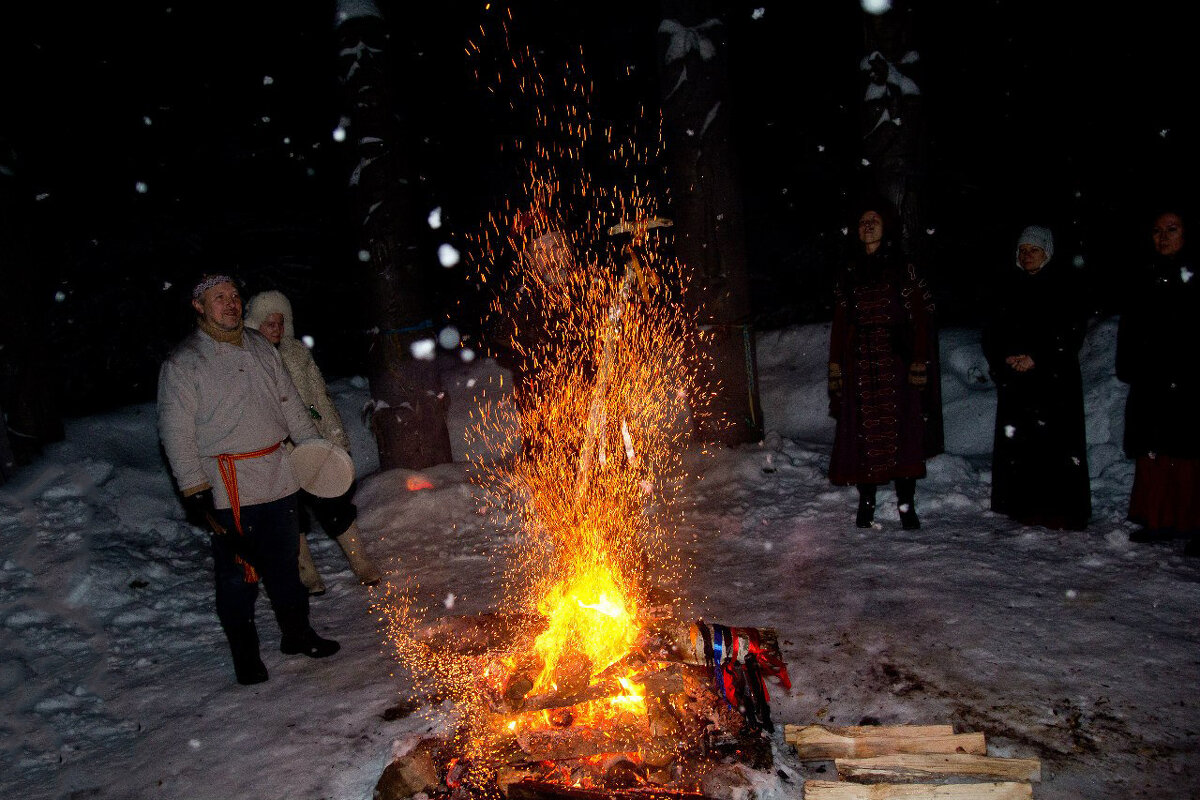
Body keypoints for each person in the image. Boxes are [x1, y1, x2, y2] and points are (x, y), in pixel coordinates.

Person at [157, 274, 340, 686]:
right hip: (228, 484)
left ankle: (297, 635)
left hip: (277, 473)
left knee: (286, 565)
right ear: (199, 307)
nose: (231, 304)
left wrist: (315, 456)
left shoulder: (260, 347)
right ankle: (245, 654)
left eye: (235, 296)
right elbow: (176, 432)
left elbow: (290, 404)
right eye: (219, 298)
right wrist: (195, 491)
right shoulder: (184, 364)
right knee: (238, 573)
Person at [244, 290, 382, 593]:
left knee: (334, 503)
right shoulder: (248, 361)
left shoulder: (296, 353)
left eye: (280, 323)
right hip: (278, 452)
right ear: (254, 325)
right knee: (291, 513)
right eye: (268, 324)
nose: (276, 329)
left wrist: (336, 438)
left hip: (313, 442)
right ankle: (306, 573)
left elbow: (320, 397)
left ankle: (362, 563)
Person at [828, 200, 942, 529]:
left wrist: (917, 359)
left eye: (874, 220)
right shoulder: (849, 270)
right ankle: (867, 503)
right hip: (860, 362)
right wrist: (837, 364)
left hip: (895, 359)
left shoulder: (902, 267)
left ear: (885, 226)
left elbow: (920, 317)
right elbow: (840, 322)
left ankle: (906, 504)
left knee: (902, 431)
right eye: (863, 221)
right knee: (864, 433)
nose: (868, 226)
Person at [982, 225, 1091, 530]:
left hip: (1053, 381)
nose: (1027, 255)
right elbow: (993, 330)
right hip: (1018, 381)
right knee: (1023, 445)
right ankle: (1022, 504)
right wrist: (1005, 357)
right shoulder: (1009, 286)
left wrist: (1037, 357)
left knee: (1054, 445)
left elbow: (1070, 332)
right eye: (1022, 250)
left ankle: (1059, 508)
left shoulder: (1064, 287)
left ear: (1047, 253)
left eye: (1034, 250)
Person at [1116, 208, 1200, 556]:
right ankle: (1158, 518)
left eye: (1171, 229)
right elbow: (1131, 328)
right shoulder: (1145, 275)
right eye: (1156, 230)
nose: (1163, 237)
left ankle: (1194, 523)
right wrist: (1131, 365)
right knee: (1154, 449)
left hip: (1191, 381)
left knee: (1190, 453)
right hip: (1152, 381)